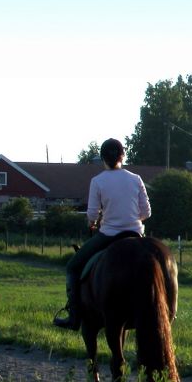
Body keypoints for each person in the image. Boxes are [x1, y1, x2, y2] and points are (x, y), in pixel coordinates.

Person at [53, 138, 151, 330]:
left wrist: (93, 223)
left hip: (109, 235)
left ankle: (74, 317)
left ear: (103, 159)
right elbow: (146, 212)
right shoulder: (135, 179)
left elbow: (91, 214)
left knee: (73, 267)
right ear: (123, 155)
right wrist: (131, 219)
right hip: (136, 234)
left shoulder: (97, 181)